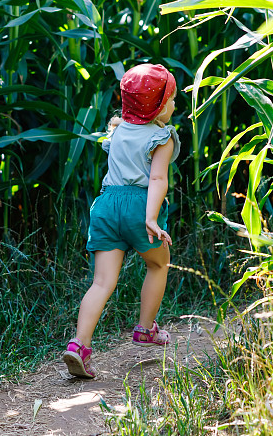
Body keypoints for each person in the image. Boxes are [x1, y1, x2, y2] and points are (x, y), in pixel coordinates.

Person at [62, 63, 180, 379]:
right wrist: (151, 218)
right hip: (139, 206)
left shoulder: (116, 129)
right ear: (156, 107)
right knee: (158, 265)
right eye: (170, 100)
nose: (174, 106)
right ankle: (145, 329)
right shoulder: (162, 136)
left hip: (107, 204)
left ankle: (78, 345)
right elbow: (157, 178)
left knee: (102, 282)